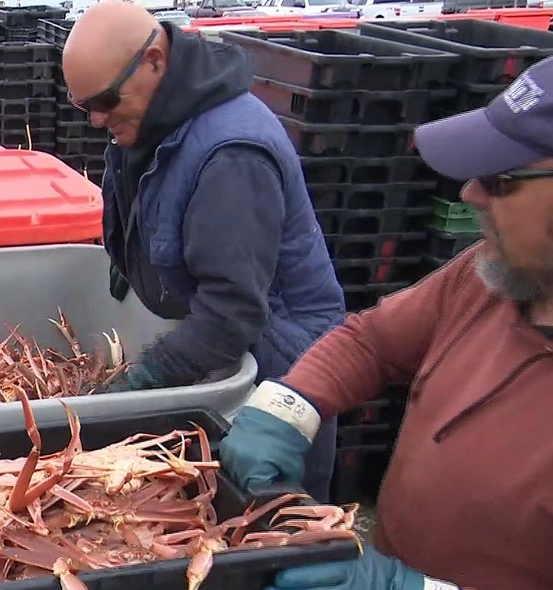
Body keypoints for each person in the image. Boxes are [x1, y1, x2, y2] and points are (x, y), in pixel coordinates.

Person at [218, 48, 553, 590]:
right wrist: (289, 406)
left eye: (500, 179)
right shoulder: (490, 276)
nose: (468, 193)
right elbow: (373, 340)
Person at [60, 1, 346, 504]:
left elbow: (231, 316)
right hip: (222, 356)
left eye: (104, 100)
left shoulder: (232, 155)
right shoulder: (154, 118)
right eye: (85, 106)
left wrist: (141, 381)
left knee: (265, 522)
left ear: (154, 60)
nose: (96, 118)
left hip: (279, 370)